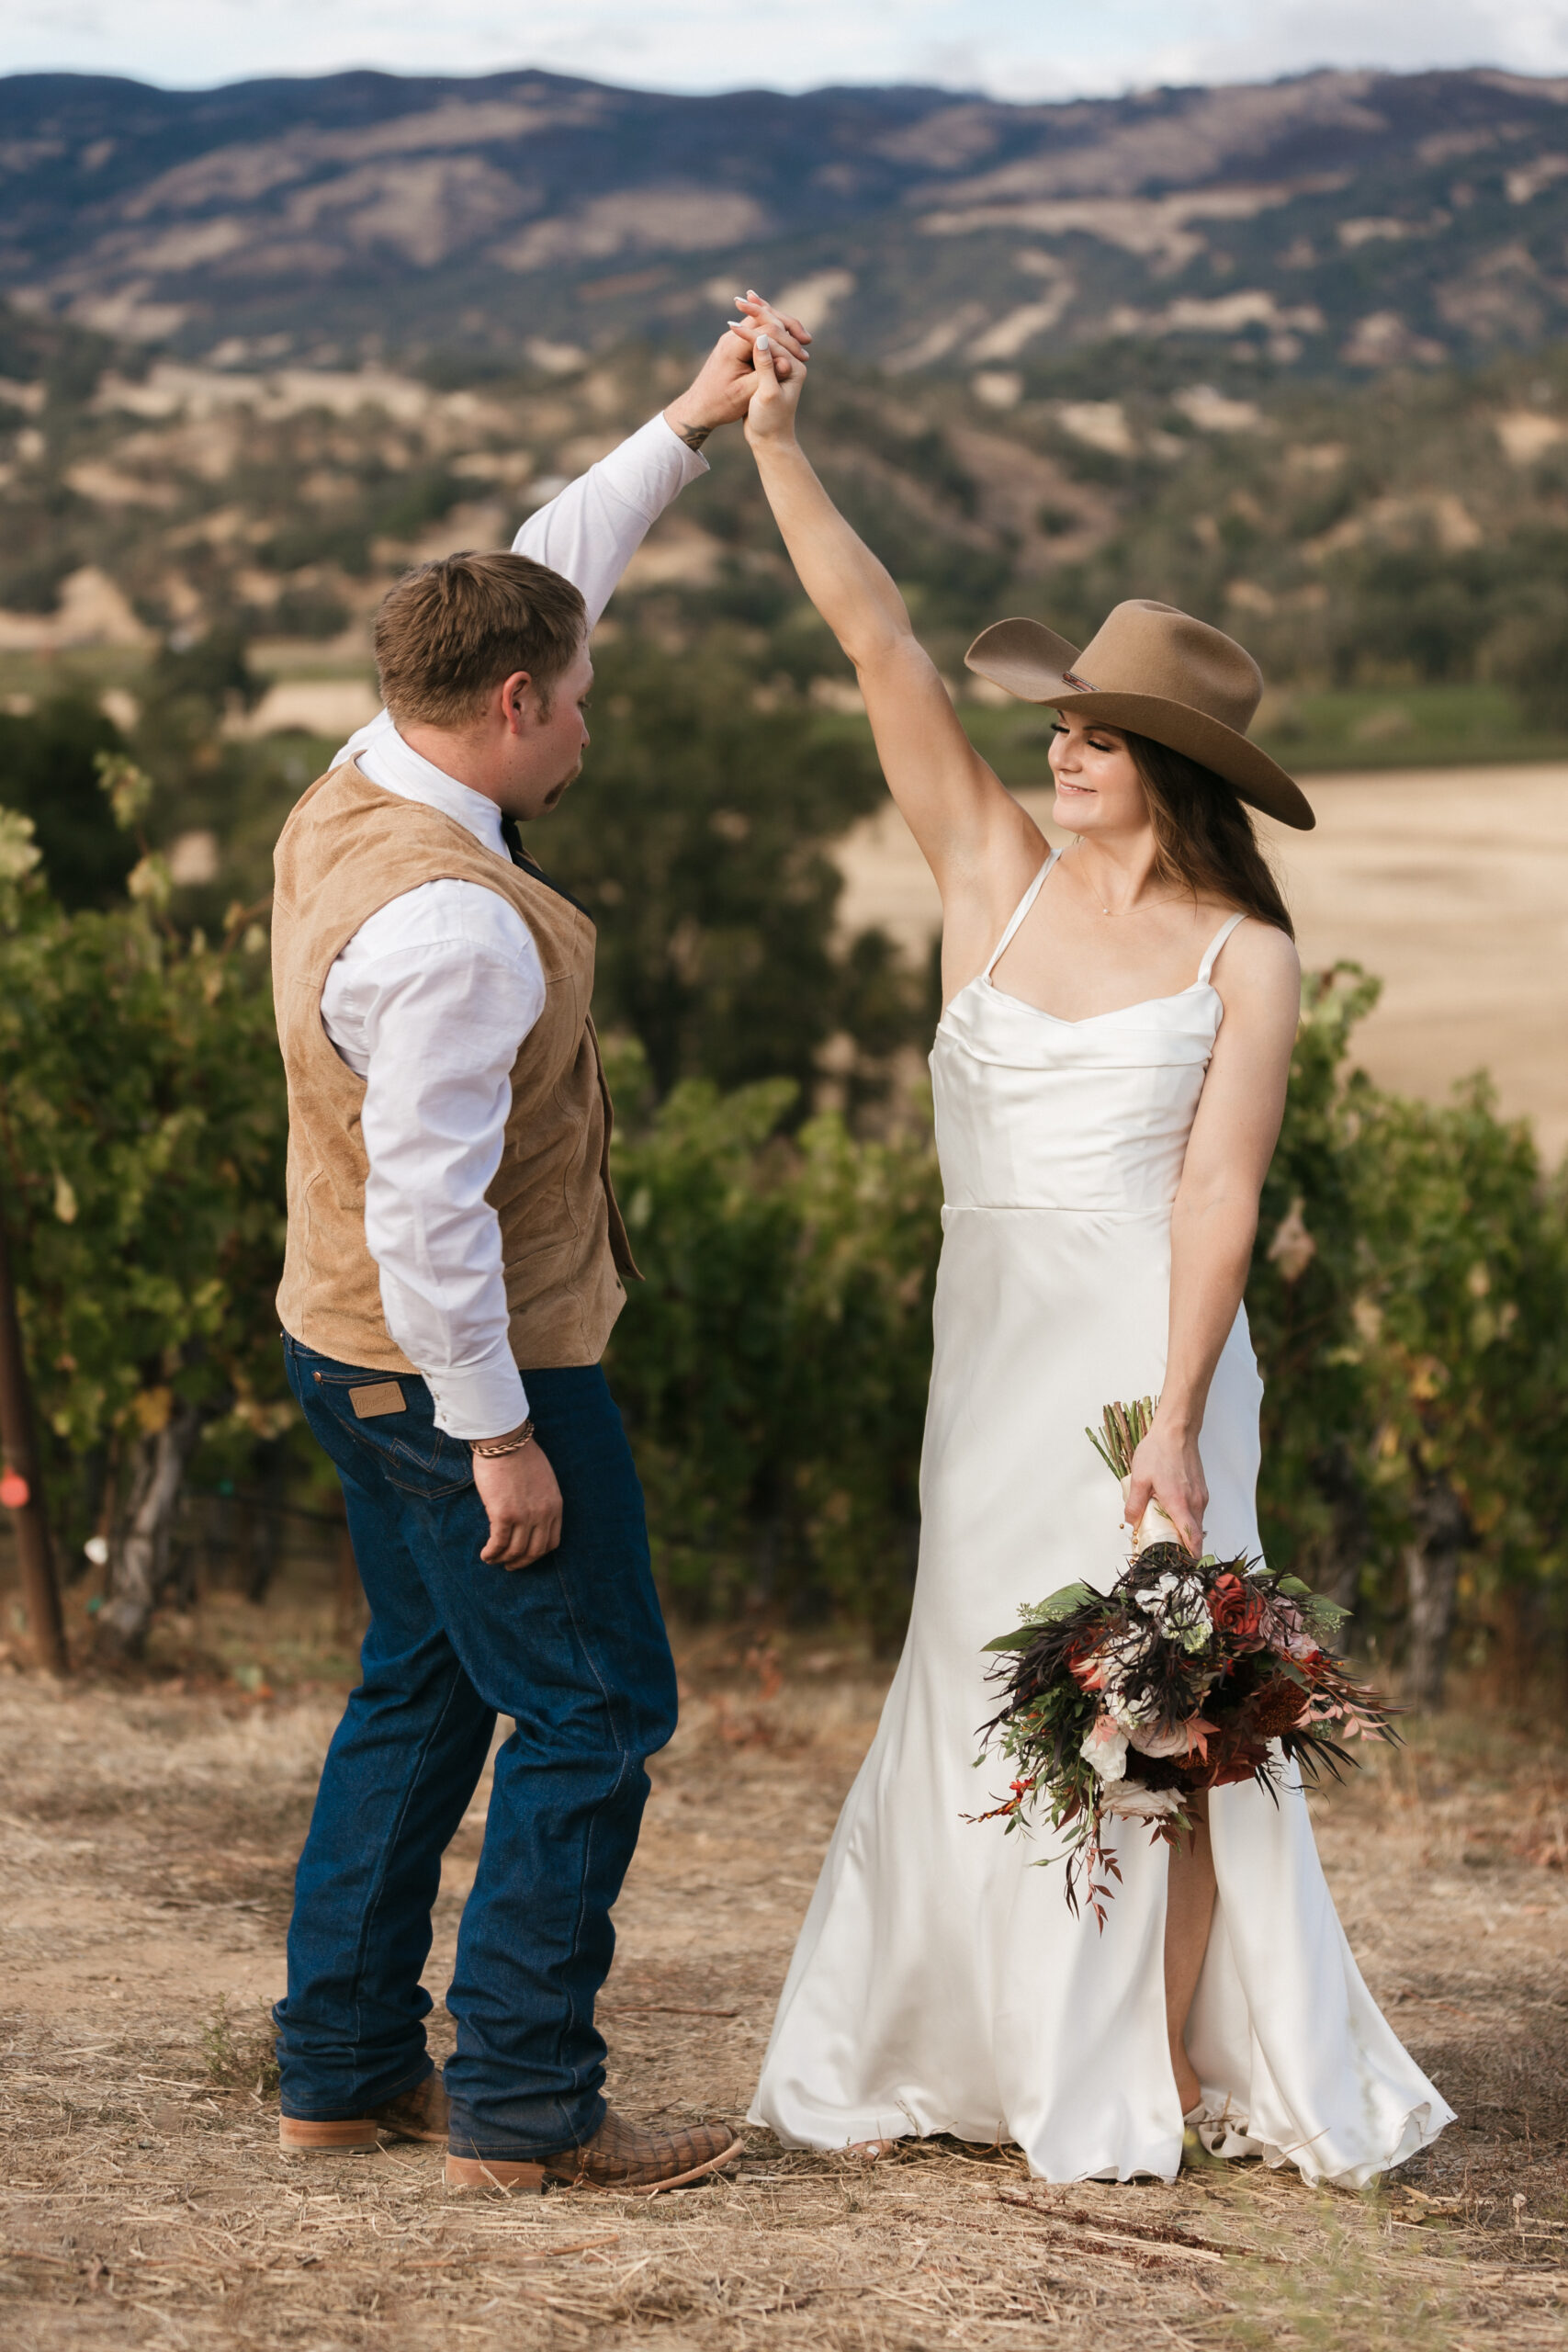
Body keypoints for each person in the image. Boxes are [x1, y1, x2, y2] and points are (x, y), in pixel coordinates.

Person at [733, 310, 1453, 2187]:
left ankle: (1142, 2068)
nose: (1057, 740)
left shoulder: (1247, 952)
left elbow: (1216, 1192)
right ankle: (963, 2041)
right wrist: (776, 448)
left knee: (1169, 1707)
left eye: (1098, 728)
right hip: (984, 1363)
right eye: (1055, 715)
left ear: (1170, 763)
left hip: (1146, 1367)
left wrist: (1178, 1419)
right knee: (970, 1678)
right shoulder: (986, 868)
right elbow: (876, 641)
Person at [269, 301, 813, 2194]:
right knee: (590, 1707)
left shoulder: (366, 773)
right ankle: (520, 2097)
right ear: (511, 709)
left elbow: (546, 572)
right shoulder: (460, 926)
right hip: (456, 1366)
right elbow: (431, 1208)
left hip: (333, 1339)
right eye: (575, 700)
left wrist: (684, 422)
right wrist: (496, 1429)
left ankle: (337, 2063)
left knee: (421, 1680)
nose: (588, 717)